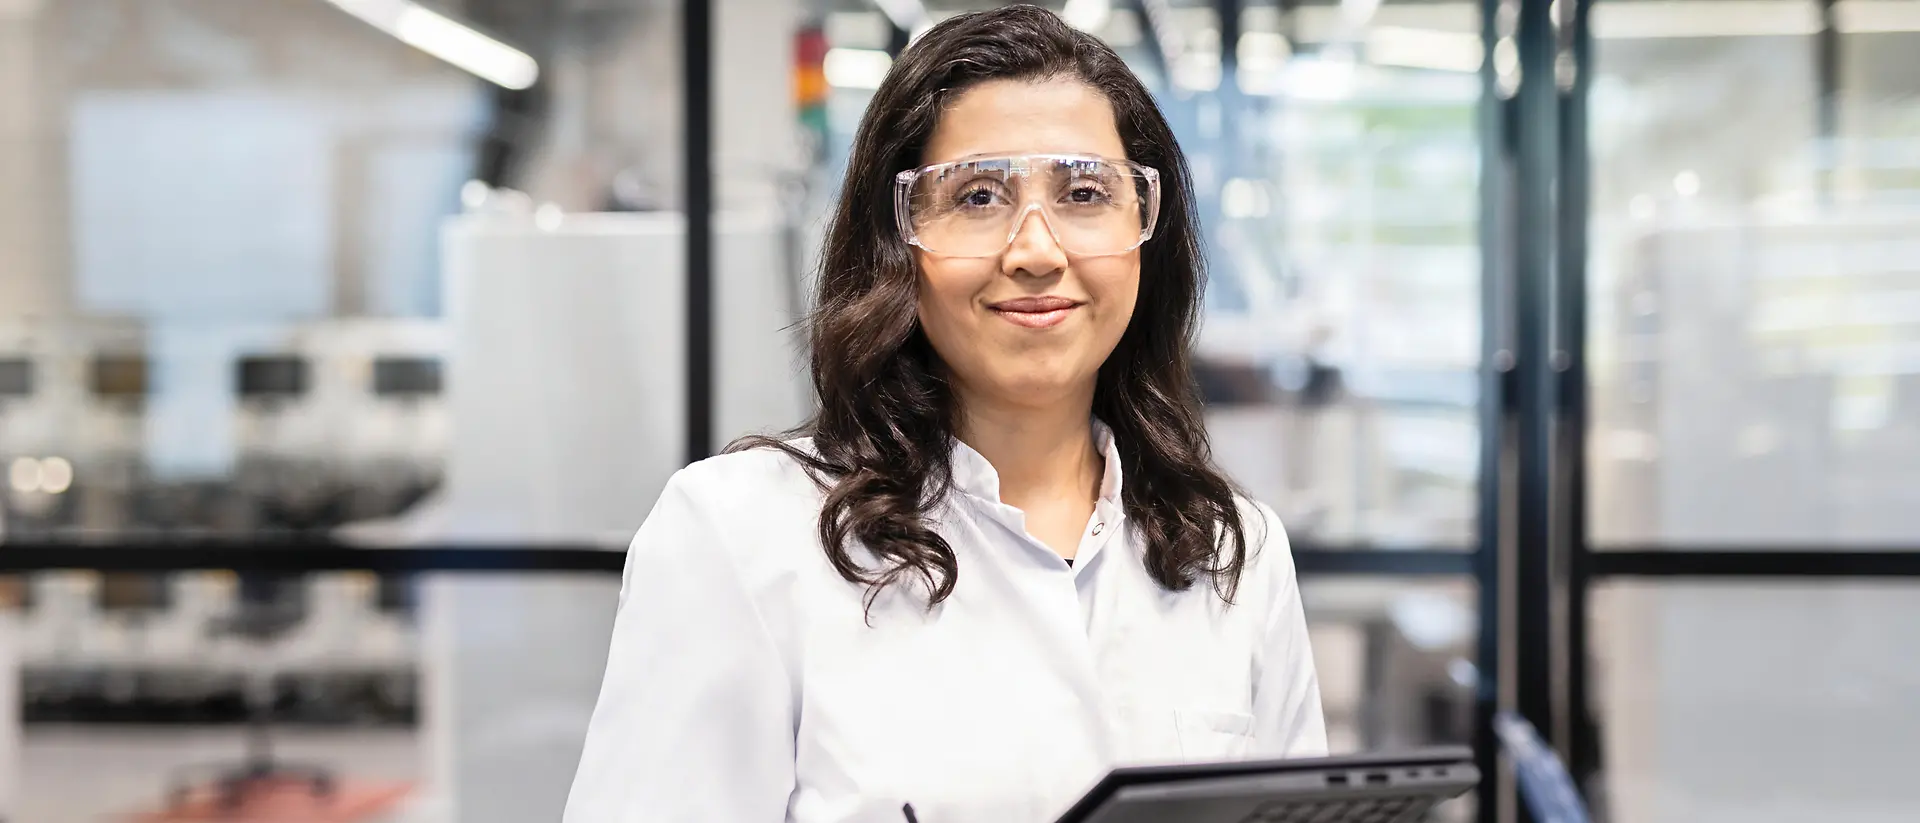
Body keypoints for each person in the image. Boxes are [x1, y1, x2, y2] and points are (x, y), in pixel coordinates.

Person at [563, 6, 1325, 822]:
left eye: (1085, 192)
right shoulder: (740, 536)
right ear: (897, 242)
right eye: (979, 195)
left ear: (1146, 232)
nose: (1036, 251)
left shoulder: (1233, 550)